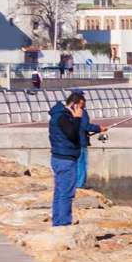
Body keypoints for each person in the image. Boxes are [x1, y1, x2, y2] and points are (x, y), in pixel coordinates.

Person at [47, 93, 85, 226]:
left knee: (59, 192)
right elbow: (72, 134)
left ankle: (57, 221)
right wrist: (78, 118)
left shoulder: (58, 115)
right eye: (81, 107)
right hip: (65, 159)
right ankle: (63, 222)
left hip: (59, 157)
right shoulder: (63, 117)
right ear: (75, 105)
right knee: (66, 193)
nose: (82, 111)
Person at [71, 91, 103, 189]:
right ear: (80, 101)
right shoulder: (81, 111)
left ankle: (74, 184)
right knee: (81, 163)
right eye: (83, 100)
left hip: (71, 143)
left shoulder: (68, 111)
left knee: (74, 164)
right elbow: (86, 126)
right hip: (81, 143)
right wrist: (99, 128)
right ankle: (79, 185)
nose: (85, 102)